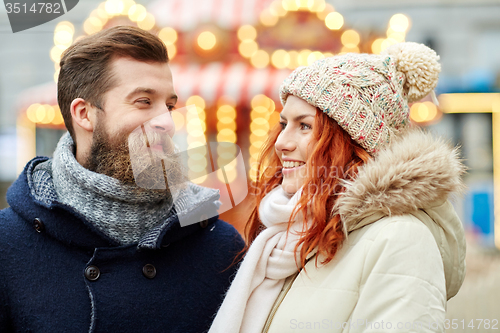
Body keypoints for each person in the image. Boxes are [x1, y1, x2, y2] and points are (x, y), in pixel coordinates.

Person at [0, 26, 244, 333]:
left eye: (169, 106)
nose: (167, 122)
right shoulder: (8, 245)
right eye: (144, 101)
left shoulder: (221, 248)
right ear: (84, 114)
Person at [209, 42, 466, 333]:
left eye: (304, 126)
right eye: (284, 124)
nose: (281, 143)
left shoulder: (401, 239)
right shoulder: (292, 237)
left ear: (352, 142)